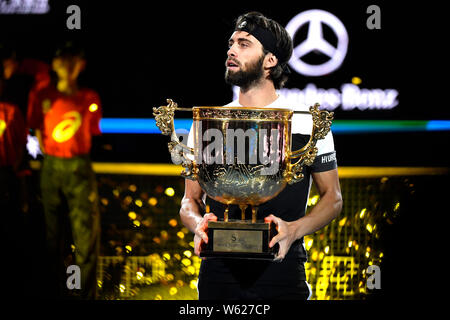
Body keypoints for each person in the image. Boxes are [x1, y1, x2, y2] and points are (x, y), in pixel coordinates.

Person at [180, 12, 343, 300]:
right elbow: (189, 200)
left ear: (270, 60)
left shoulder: (306, 121)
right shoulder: (207, 122)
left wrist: (294, 230)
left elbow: (333, 198)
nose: (231, 50)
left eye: (244, 44)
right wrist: (197, 224)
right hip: (217, 275)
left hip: (283, 270)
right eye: (231, 43)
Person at [27, 41, 102, 299]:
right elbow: (37, 127)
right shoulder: (42, 95)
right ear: (56, 64)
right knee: (51, 236)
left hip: (77, 165)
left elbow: (91, 129)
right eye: (64, 61)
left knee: (85, 237)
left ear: (80, 66)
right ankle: (54, 290)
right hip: (54, 164)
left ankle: (84, 294)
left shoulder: (89, 97)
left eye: (73, 62)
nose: (68, 67)